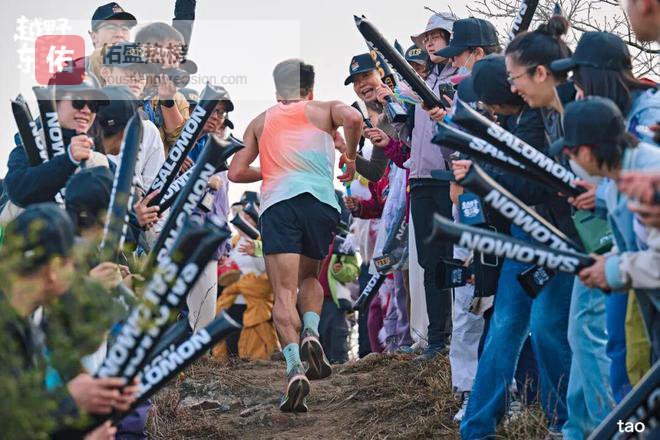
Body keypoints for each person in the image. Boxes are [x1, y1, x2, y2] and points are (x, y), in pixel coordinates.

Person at [228, 58, 362, 412]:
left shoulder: (260, 122)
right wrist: (349, 156)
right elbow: (354, 119)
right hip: (321, 203)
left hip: (279, 205)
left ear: (277, 91)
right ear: (310, 90)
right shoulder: (324, 108)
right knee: (309, 278)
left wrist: (274, 168)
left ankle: (294, 370)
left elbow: (236, 172)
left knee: (284, 292)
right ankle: (312, 333)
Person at [550, 30, 660, 409]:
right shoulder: (622, 159)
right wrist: (602, 196)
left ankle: (625, 427)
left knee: (632, 366)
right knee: (624, 357)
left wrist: (612, 268)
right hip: (633, 268)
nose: (578, 94)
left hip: (640, 270)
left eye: (580, 84)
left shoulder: (647, 123)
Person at [0, 203, 138, 439]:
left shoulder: (31, 316)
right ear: (53, 270)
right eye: (71, 263)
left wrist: (105, 395)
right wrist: (70, 401)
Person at [552, 97, 660, 362]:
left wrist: (610, 269)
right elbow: (633, 248)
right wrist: (604, 263)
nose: (571, 160)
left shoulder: (649, 180)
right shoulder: (616, 181)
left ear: (587, 153)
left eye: (571, 153)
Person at [4, 74, 109, 209]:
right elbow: (18, 192)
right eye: (78, 101)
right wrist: (69, 160)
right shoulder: (26, 148)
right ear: (54, 102)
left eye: (93, 105)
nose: (87, 110)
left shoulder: (99, 159)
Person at [134, 22, 193, 153]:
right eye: (167, 52)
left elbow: (182, 144)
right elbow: (99, 56)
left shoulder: (178, 98)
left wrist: (168, 102)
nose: (173, 61)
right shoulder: (125, 81)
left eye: (177, 56)